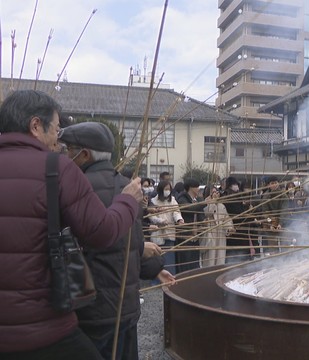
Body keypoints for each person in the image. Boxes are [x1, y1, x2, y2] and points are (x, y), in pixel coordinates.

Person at [0, 90, 142, 359]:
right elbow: (102, 232)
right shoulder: (56, 168)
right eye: (55, 129)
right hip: (44, 324)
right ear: (35, 125)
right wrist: (128, 202)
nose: (57, 141)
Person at [59, 121, 175, 359]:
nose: (65, 155)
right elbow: (133, 243)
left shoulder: (75, 189)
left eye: (68, 150)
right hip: (127, 305)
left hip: (92, 307)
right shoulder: (128, 188)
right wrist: (155, 269)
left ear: (84, 154)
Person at [148, 180, 184, 275]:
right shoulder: (153, 201)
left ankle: (170, 278)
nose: (168, 191)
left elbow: (176, 211)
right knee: (157, 258)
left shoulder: (172, 200)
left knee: (169, 259)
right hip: (157, 233)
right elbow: (151, 215)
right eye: (166, 189)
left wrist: (179, 220)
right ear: (160, 189)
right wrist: (160, 221)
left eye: (169, 189)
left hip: (169, 232)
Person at [175, 178, 207, 273]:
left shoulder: (197, 200)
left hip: (195, 236)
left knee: (194, 262)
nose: (198, 189)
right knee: (185, 262)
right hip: (185, 236)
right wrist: (204, 203)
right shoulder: (182, 198)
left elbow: (200, 213)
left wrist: (203, 221)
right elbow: (190, 208)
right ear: (191, 188)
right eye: (197, 187)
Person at [201, 185, 234, 266]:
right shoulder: (205, 203)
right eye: (213, 192)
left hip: (220, 234)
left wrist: (230, 228)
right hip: (210, 233)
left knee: (220, 258)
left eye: (217, 192)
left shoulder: (221, 206)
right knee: (210, 259)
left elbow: (226, 218)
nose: (216, 194)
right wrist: (212, 201)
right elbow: (208, 213)